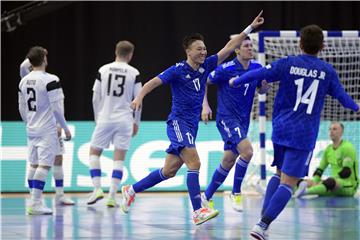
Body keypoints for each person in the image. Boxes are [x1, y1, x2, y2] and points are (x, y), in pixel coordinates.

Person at [121, 11, 265, 225]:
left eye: (205, 49)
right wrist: (139, 97)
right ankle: (198, 210)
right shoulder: (178, 70)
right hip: (178, 123)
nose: (203, 52)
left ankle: (131, 189)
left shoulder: (207, 65)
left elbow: (228, 48)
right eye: (199, 49)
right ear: (188, 51)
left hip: (191, 125)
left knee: (169, 171)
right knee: (195, 162)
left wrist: (250, 28)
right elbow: (153, 82)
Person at [229, 24, 360, 240]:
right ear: (323, 47)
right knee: (289, 183)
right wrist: (357, 107)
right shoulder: (327, 71)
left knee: (279, 174)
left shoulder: (288, 63)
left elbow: (259, 73)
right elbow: (343, 98)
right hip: (304, 133)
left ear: (300, 44)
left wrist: (236, 80)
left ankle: (264, 220)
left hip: (280, 127)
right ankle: (262, 225)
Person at [201, 36, 269, 212]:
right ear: (237, 50)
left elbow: (262, 89)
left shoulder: (257, 67)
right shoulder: (226, 69)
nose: (250, 48)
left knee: (229, 160)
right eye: (245, 46)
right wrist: (205, 105)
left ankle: (205, 197)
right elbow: (204, 81)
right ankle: (236, 193)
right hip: (226, 118)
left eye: (250, 45)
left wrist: (264, 86)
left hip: (243, 120)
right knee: (247, 152)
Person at [87, 40, 142, 207]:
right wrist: (136, 121)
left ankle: (97, 188)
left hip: (105, 118)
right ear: (130, 55)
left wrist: (97, 117)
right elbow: (138, 100)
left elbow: (95, 96)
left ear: (116, 52)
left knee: (94, 153)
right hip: (125, 119)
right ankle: (112, 195)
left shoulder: (103, 70)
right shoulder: (134, 72)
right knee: (119, 157)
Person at [18, 46, 72, 215]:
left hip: (31, 127)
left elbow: (21, 107)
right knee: (44, 165)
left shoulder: (23, 80)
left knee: (34, 164)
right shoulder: (50, 80)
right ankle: (35, 203)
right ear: (45, 60)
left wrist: (28, 122)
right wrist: (65, 128)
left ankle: (35, 200)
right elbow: (57, 109)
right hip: (47, 129)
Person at [294, 122, 359, 198]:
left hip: (348, 185)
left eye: (334, 129)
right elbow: (320, 170)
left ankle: (306, 192)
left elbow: (346, 172)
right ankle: (298, 190)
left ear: (341, 132)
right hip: (334, 184)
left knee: (330, 182)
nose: (331, 131)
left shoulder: (347, 147)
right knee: (299, 181)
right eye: (330, 129)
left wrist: (323, 182)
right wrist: (314, 181)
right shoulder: (328, 149)